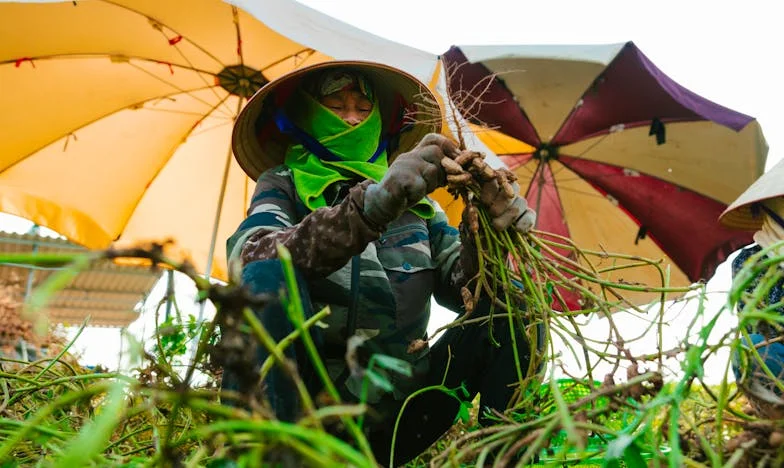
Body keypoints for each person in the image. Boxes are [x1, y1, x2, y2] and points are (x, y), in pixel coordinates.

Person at [222, 60, 539, 464]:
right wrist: (369, 208)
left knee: (512, 310)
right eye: (336, 107)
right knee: (266, 274)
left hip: (400, 411)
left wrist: (488, 234)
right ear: (306, 117)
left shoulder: (419, 206)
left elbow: (470, 289)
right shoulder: (282, 184)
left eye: (362, 108)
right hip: (305, 412)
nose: (353, 119)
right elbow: (250, 256)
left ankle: (506, 458)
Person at [719, 158, 784, 419]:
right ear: (771, 207)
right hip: (780, 367)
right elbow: (759, 330)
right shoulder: (750, 263)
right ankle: (777, 424)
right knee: (752, 349)